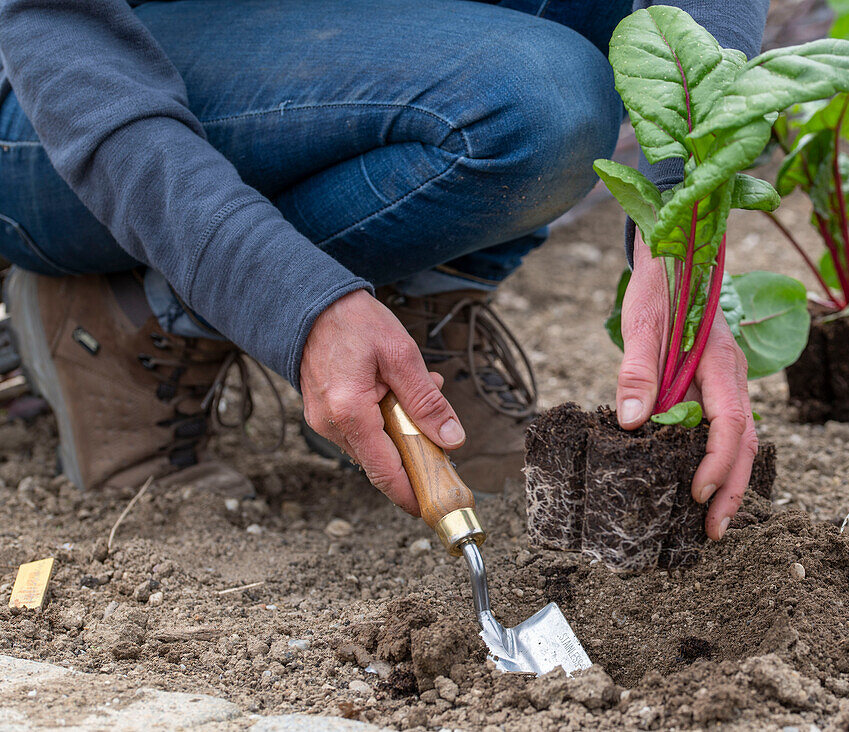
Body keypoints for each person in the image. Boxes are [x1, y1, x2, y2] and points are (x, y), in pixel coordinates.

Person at [0, 0, 766, 541]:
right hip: (65, 104)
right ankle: (135, 312)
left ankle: (415, 300)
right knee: (535, 102)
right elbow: (60, 38)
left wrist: (678, 244)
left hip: (341, 43)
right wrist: (290, 303)